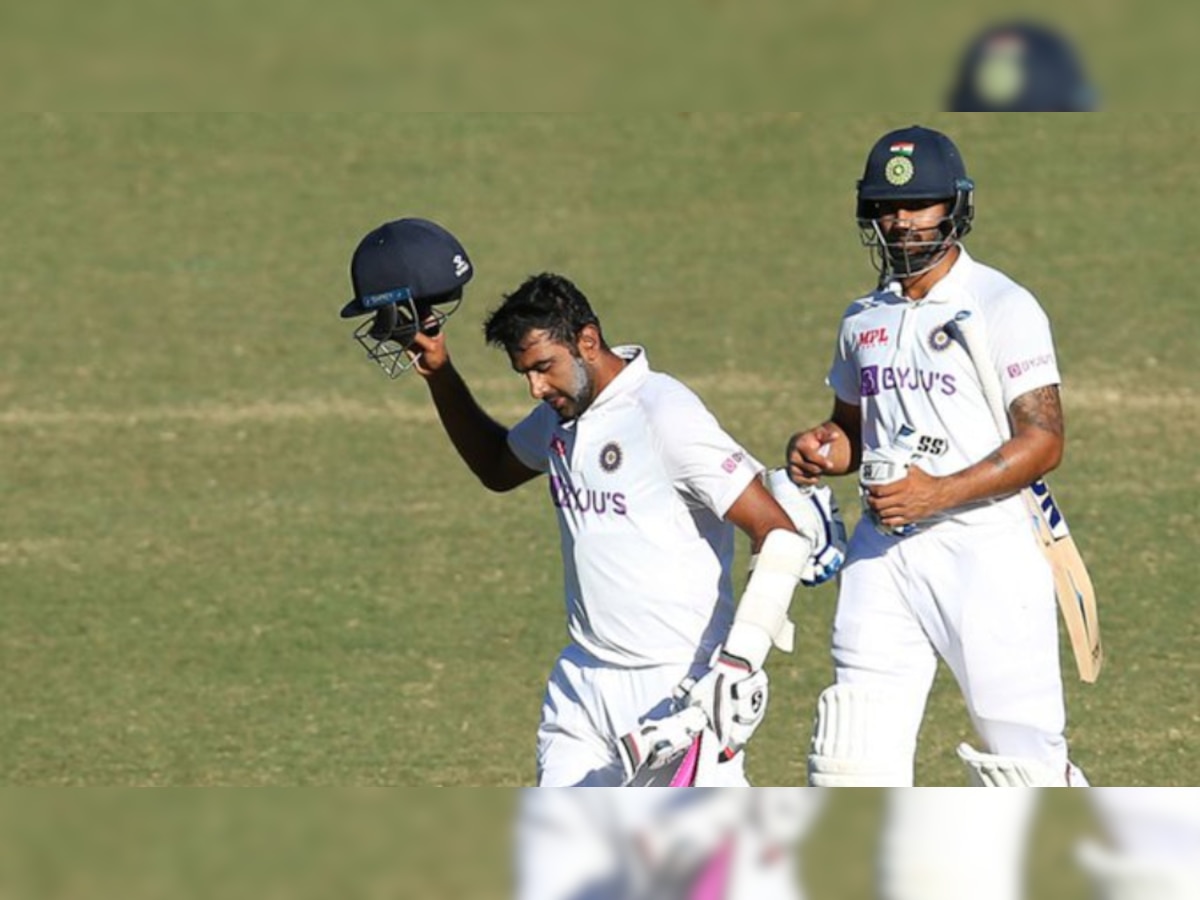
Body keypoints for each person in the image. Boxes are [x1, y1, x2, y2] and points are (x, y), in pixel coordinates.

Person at [339, 220, 845, 786]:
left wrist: (739, 663)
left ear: (587, 339)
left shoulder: (664, 414)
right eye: (523, 374)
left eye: (541, 368)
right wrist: (440, 373)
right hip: (582, 684)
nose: (535, 389)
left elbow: (779, 537)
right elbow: (496, 467)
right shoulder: (564, 416)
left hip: (675, 688)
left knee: (700, 873)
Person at [787, 125, 1089, 787]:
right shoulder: (861, 318)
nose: (901, 222)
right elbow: (853, 431)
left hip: (985, 550)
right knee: (850, 750)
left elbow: (1044, 441)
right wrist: (819, 449)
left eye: (918, 205)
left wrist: (938, 492)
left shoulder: (1002, 306)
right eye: (887, 208)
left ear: (955, 207)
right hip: (884, 552)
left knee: (1022, 764)